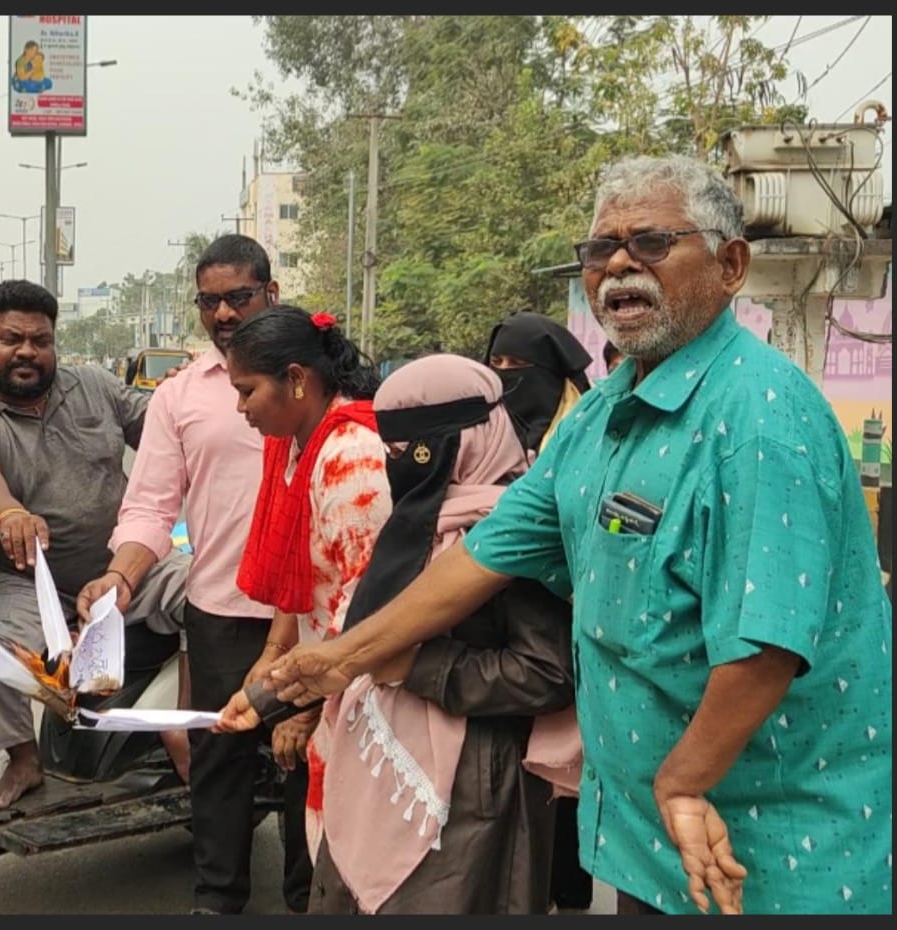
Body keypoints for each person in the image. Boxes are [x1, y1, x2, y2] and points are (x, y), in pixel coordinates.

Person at [261, 155, 893, 915]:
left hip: (764, 847)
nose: (620, 264)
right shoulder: (598, 417)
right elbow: (484, 557)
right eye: (602, 249)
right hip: (647, 836)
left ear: (730, 266)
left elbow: (765, 647)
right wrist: (341, 659)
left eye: (652, 242)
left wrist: (683, 781)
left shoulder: (759, 417)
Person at [222, 354, 576, 913]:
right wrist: (270, 699)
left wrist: (417, 668)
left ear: (464, 441)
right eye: (388, 449)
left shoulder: (515, 534)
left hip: (467, 799)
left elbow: (547, 673)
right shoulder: (417, 521)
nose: (395, 464)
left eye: (409, 450)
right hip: (375, 768)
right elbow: (362, 640)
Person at [76, 234, 313, 915]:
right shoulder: (180, 395)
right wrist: (121, 578)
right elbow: (150, 506)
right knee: (219, 762)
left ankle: (310, 898)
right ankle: (217, 900)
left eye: (238, 297)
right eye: (209, 302)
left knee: (313, 762)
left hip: (315, 613)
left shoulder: (319, 379)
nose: (223, 314)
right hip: (222, 611)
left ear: (271, 292)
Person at [0, 279, 191, 808]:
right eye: (11, 339)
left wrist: (186, 398)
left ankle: (192, 724)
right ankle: (24, 760)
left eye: (40, 340)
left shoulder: (94, 386)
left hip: (127, 567)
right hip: (26, 582)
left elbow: (165, 431)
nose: (27, 351)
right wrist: (9, 512)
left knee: (212, 593)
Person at [220, 306, 391, 864]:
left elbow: (365, 601)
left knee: (355, 851)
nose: (241, 408)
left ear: (296, 379)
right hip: (329, 676)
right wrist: (276, 655)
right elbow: (305, 576)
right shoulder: (297, 443)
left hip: (365, 684)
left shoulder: (351, 458)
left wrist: (302, 705)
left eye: (247, 391)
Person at [484, 308, 596, 912]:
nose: (506, 377)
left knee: (569, 785)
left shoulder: (584, 442)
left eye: (519, 366)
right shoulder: (488, 440)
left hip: (575, 638)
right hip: (515, 647)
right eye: (496, 364)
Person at [485, 310, 594, 454]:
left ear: (549, 373)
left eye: (517, 363)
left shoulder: (584, 436)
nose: (503, 370)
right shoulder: (480, 435)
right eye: (496, 362)